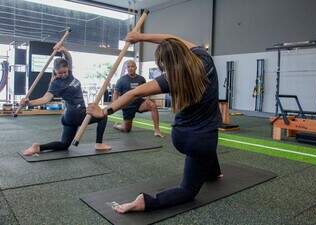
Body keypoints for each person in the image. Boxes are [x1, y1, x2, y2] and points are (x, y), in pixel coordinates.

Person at [87, 31, 222, 213]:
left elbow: (133, 93)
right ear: (185, 49)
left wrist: (104, 111)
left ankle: (214, 172)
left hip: (181, 137)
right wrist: (141, 37)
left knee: (205, 154)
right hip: (202, 140)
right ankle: (146, 201)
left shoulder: (170, 78)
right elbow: (172, 38)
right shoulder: (205, 59)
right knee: (188, 190)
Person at [20, 42, 111, 156]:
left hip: (69, 117)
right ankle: (99, 144)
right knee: (103, 115)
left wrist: (63, 49)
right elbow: (45, 99)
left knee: (64, 145)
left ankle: (38, 147)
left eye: (65, 72)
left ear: (68, 69)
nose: (63, 75)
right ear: (55, 71)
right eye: (60, 73)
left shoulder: (70, 74)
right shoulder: (56, 84)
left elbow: (69, 57)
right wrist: (29, 102)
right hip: (76, 114)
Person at [113, 60, 163, 137]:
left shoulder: (141, 79)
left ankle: (157, 130)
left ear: (135, 67)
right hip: (128, 106)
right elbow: (116, 93)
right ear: (127, 68)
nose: (130, 68)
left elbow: (146, 90)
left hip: (139, 103)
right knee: (126, 129)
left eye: (132, 66)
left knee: (152, 105)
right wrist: (115, 106)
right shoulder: (121, 80)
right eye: (128, 67)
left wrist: (148, 99)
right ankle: (118, 126)